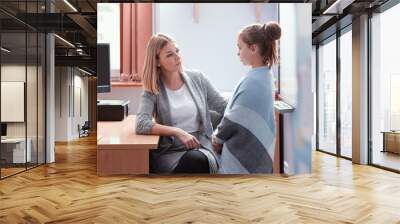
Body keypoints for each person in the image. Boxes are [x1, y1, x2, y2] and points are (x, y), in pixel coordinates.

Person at [135, 33, 227, 174]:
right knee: (194, 163)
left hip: (201, 147)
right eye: (170, 55)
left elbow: (223, 106)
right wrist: (178, 132)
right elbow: (141, 123)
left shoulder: (198, 78)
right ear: (157, 61)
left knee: (196, 160)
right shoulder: (153, 88)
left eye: (177, 51)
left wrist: (221, 135)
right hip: (170, 152)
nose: (177, 57)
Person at [212, 21, 281, 174]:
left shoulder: (253, 81)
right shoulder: (265, 76)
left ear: (253, 48)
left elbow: (234, 118)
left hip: (240, 158)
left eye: (240, 47)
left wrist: (217, 139)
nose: (238, 52)